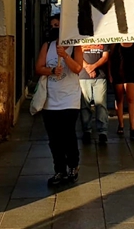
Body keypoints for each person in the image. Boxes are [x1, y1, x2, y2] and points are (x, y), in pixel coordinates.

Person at [35, 15, 84, 186]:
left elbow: (78, 68)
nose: (54, 28)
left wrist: (65, 55)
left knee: (68, 134)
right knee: (54, 138)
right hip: (50, 100)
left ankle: (73, 165)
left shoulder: (76, 46)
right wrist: (52, 70)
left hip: (70, 99)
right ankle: (59, 170)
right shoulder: (47, 46)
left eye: (58, 25)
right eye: (52, 25)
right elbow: (39, 68)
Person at [109, 43, 134, 138]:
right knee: (119, 99)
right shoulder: (115, 42)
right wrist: (109, 73)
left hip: (131, 72)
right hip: (118, 72)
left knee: (131, 99)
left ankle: (133, 127)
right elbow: (110, 58)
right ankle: (120, 124)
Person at [79, 44, 110, 144]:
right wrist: (88, 68)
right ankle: (86, 130)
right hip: (83, 76)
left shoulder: (103, 37)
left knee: (101, 104)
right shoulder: (81, 37)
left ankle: (102, 132)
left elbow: (105, 57)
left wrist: (93, 67)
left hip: (100, 76)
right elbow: (78, 54)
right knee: (84, 105)